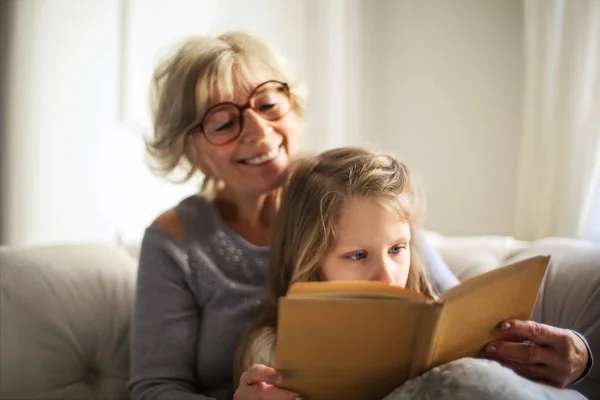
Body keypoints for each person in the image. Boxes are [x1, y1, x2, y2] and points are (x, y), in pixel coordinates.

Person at [128, 31, 592, 400]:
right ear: (187, 144)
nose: (258, 130)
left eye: (268, 103)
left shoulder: (348, 194)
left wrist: (578, 357)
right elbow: (155, 389)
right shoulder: (175, 240)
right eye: (224, 121)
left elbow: (447, 314)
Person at [233, 147, 587, 400]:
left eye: (397, 249)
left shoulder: (435, 317)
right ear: (310, 261)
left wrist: (577, 360)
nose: (387, 277)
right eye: (357, 255)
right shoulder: (273, 347)